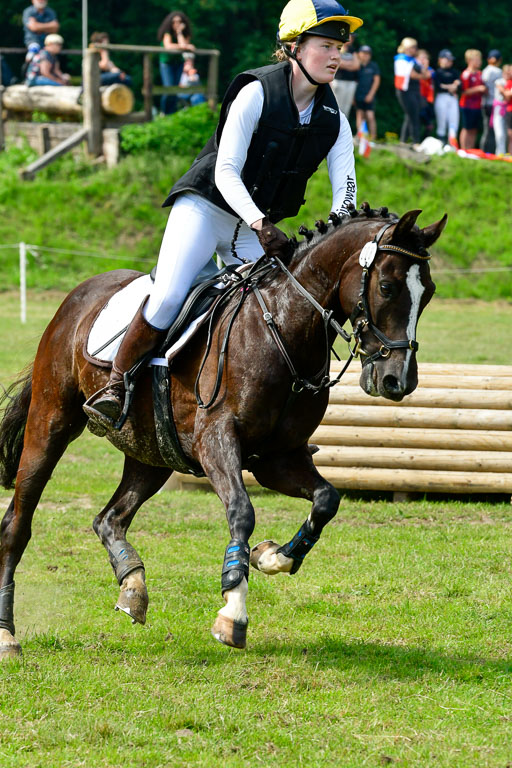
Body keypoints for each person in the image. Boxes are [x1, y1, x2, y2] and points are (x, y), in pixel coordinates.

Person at [85, 0, 363, 429]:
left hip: (252, 227)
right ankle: (116, 385)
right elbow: (226, 170)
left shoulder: (334, 120)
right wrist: (260, 223)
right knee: (169, 297)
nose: (335, 56)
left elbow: (346, 191)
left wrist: (333, 237)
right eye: (325, 45)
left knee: (274, 310)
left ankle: (268, 423)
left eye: (339, 48)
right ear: (293, 47)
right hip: (205, 208)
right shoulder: (256, 93)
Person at [157, 11, 195, 115]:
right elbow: (168, 46)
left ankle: (171, 114)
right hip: (166, 63)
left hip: (178, 63)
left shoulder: (185, 34)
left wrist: (179, 33)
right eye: (174, 22)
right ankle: (164, 112)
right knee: (168, 88)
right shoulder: (167, 33)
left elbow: (183, 44)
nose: (176, 24)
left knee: (175, 89)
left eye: (179, 21)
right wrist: (186, 47)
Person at [394, 37, 429, 148]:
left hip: (413, 90)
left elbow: (425, 73)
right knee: (413, 115)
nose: (416, 49)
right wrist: (422, 75)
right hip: (405, 91)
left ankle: (403, 140)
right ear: (407, 48)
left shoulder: (412, 60)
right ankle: (416, 141)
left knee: (410, 115)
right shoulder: (401, 59)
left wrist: (423, 70)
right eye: (414, 47)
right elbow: (414, 75)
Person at [459, 49, 486, 150]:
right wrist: (478, 89)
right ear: (470, 61)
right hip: (467, 105)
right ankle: (464, 149)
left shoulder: (480, 74)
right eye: (477, 60)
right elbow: (464, 91)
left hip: (477, 105)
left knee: (474, 129)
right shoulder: (466, 74)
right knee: (466, 128)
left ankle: (471, 150)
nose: (480, 62)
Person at [433, 48, 460, 148]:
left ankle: (452, 145)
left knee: (454, 121)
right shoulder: (437, 72)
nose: (449, 62)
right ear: (440, 59)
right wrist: (451, 86)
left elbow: (459, 85)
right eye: (447, 59)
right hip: (441, 97)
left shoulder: (455, 72)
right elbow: (438, 86)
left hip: (452, 98)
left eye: (450, 60)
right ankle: (441, 144)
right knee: (442, 122)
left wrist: (451, 86)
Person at [331, 33, 360, 119]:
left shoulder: (352, 49)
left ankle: (342, 127)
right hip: (339, 81)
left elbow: (357, 65)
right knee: (336, 107)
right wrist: (351, 64)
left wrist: (345, 64)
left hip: (350, 82)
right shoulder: (338, 47)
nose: (352, 39)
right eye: (351, 37)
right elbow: (338, 63)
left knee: (346, 108)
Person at [354, 44, 380, 139]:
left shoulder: (373, 66)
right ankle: (361, 136)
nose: (365, 55)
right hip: (358, 94)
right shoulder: (356, 65)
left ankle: (373, 137)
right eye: (363, 53)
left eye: (367, 53)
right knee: (360, 115)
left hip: (369, 94)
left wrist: (371, 94)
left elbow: (377, 81)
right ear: (359, 54)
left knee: (370, 116)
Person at [480, 49, 502, 153]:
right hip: (494, 104)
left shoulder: (485, 70)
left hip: (485, 103)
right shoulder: (498, 71)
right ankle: (488, 152)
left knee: (488, 129)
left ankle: (485, 151)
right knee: (492, 130)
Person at [493, 64, 511, 155]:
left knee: (508, 134)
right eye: (506, 73)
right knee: (500, 133)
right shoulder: (499, 81)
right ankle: (500, 152)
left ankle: (506, 153)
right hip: (499, 109)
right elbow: (505, 94)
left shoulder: (510, 82)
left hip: (508, 110)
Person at [417, 49, 434, 138]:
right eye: (422, 58)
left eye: (426, 58)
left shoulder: (430, 70)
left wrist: (425, 67)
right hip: (418, 96)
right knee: (419, 118)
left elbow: (430, 75)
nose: (424, 60)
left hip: (428, 98)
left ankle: (424, 139)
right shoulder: (414, 68)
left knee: (429, 123)